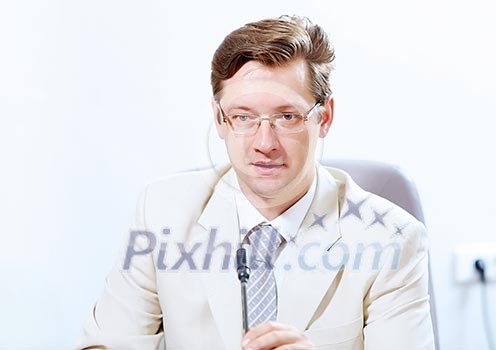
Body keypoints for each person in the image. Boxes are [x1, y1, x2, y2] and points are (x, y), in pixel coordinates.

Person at [77, 15, 435, 350]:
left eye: (287, 116)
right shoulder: (161, 212)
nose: (264, 143)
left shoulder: (393, 239)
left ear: (324, 118)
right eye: (243, 116)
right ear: (220, 120)